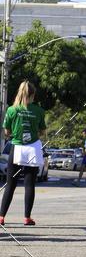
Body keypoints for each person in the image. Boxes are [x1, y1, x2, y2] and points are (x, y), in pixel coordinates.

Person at [0, 80, 46, 226]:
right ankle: (27, 218)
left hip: (17, 148)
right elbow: (42, 132)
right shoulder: (39, 111)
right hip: (33, 148)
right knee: (29, 183)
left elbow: (6, 131)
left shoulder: (12, 110)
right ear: (32, 95)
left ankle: (1, 217)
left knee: (10, 183)